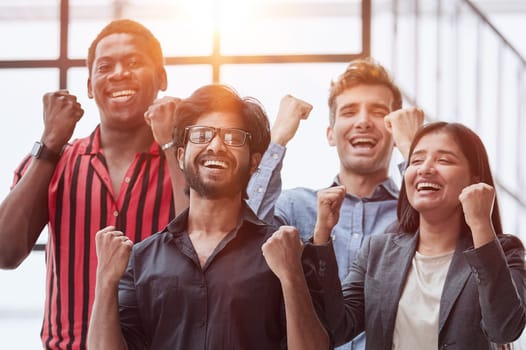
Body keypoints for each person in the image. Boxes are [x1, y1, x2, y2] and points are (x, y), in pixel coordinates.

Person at [87, 84, 329, 350]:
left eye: (233, 137)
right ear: (181, 156)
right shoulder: (142, 259)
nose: (216, 146)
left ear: (255, 161)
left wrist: (292, 275)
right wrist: (105, 281)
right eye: (201, 135)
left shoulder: (285, 254)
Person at [0, 19, 184, 350]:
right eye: (105, 66)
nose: (118, 74)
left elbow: (208, 246)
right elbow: (4, 252)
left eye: (133, 63)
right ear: (89, 85)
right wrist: (50, 141)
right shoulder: (53, 161)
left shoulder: (183, 163)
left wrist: (172, 144)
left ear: (162, 78)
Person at [268, 121, 526, 349]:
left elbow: (503, 329)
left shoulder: (505, 252)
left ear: (475, 180)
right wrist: (322, 236)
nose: (425, 169)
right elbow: (337, 328)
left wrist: (481, 223)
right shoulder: (377, 252)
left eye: (444, 160)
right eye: (416, 160)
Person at [247, 57, 424, 350]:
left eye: (379, 112)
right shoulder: (294, 207)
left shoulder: (414, 215)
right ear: (330, 134)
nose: (364, 121)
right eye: (349, 111)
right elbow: (241, 235)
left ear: (395, 132)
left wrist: (415, 149)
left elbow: (451, 239)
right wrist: (276, 139)